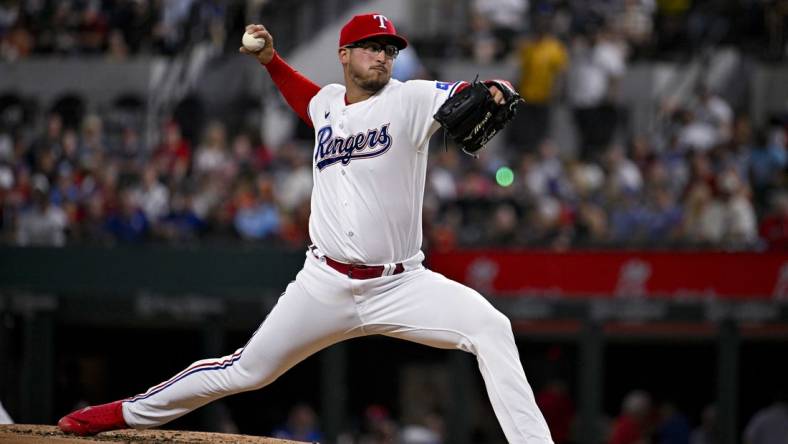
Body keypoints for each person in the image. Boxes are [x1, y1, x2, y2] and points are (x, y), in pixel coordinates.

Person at [57, 13, 554, 444]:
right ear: (344, 54)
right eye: (372, 48)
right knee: (245, 371)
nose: (383, 57)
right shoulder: (328, 104)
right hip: (325, 284)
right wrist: (271, 61)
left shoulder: (410, 98)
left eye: (389, 49)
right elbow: (307, 100)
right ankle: (121, 413)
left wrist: (490, 88)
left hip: (402, 283)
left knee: (492, 328)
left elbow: (460, 94)